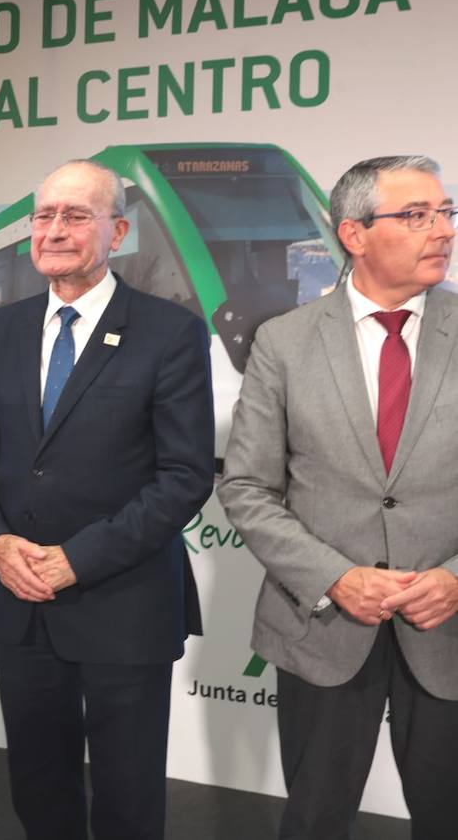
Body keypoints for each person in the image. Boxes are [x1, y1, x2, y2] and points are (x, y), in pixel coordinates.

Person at [0, 159, 215, 839]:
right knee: (40, 792)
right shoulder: (3, 330)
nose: (55, 230)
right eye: (45, 216)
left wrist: (76, 560)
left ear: (118, 231)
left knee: (127, 803)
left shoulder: (169, 331)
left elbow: (184, 476)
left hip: (122, 603)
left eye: (76, 215)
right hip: (20, 602)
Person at [220, 155, 458, 839]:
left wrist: (454, 579)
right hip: (323, 629)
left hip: (448, 630)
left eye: (445, 213)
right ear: (354, 235)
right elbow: (247, 487)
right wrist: (335, 578)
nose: (440, 230)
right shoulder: (284, 343)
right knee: (316, 818)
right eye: (415, 216)